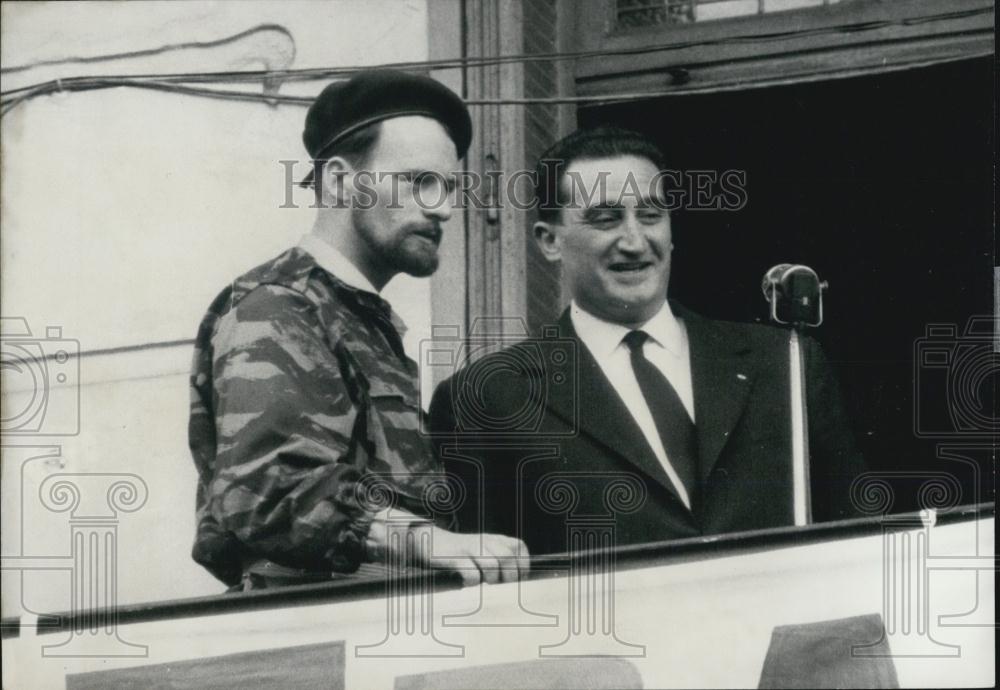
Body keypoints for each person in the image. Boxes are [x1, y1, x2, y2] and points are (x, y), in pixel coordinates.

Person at [428, 126, 866, 555]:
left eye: (651, 215)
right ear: (550, 241)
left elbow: (860, 542)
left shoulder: (785, 363)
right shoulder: (488, 399)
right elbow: (489, 589)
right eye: (606, 219)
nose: (635, 242)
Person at [189, 70, 527, 590]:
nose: (443, 208)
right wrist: (428, 541)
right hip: (310, 638)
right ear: (340, 181)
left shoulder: (353, 315)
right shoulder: (277, 306)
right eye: (419, 182)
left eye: (450, 187)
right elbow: (269, 491)